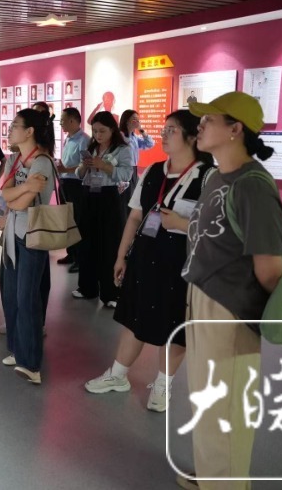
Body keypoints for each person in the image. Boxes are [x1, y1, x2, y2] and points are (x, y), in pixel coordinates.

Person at [177, 92, 282, 489]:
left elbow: (270, 268)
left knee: (227, 408)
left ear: (235, 129)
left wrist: (239, 309)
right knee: (207, 400)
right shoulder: (217, 176)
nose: (200, 125)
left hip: (229, 311)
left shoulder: (253, 186)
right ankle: (212, 475)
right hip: (203, 297)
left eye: (209, 119)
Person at [84, 110, 214, 413]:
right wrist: (121, 256)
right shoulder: (154, 171)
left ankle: (162, 384)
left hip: (183, 263)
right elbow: (135, 217)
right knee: (134, 317)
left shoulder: (208, 177)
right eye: (164, 129)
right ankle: (118, 375)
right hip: (145, 256)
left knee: (175, 325)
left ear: (192, 136)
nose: (163, 135)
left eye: (172, 130)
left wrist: (180, 223)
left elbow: (216, 229)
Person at [0, 108, 55, 385]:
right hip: (12, 233)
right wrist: (23, 189)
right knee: (9, 295)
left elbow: (19, 203)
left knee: (26, 298)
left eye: (15, 126)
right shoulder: (15, 159)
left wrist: (15, 196)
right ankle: (16, 348)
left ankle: (31, 362)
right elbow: (4, 193)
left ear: (30, 131)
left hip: (32, 235)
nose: (10, 130)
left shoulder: (42, 162)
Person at [74, 111, 133, 308]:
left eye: (102, 131)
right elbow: (79, 173)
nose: (98, 135)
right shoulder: (91, 147)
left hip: (109, 197)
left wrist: (104, 166)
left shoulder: (122, 149)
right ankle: (87, 287)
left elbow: (126, 174)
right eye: (95, 131)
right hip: (88, 195)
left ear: (112, 130)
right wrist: (85, 167)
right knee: (86, 242)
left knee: (109, 244)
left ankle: (111, 292)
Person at [55, 107, 90, 273]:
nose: (60, 123)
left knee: (77, 220)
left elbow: (86, 165)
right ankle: (71, 253)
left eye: (62, 120)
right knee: (67, 220)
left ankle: (80, 258)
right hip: (65, 182)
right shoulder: (68, 138)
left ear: (72, 120)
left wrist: (66, 169)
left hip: (76, 185)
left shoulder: (84, 140)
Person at [119, 110, 155, 214]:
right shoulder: (120, 135)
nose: (137, 122)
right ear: (126, 121)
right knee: (124, 199)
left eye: (138, 120)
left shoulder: (134, 137)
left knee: (133, 197)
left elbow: (150, 144)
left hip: (134, 169)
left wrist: (141, 130)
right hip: (123, 169)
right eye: (134, 119)